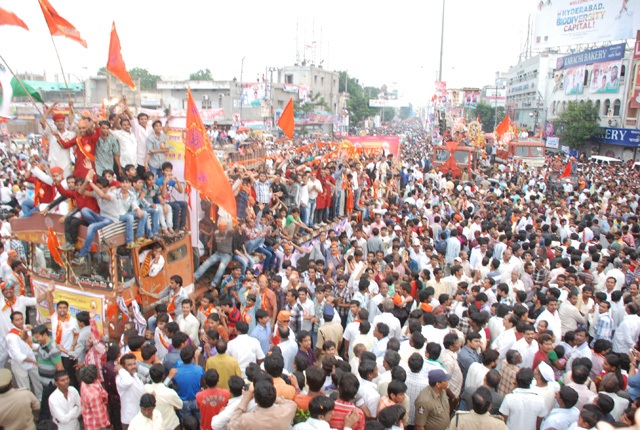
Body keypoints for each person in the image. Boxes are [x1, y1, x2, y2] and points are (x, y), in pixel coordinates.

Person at [228, 379, 297, 430]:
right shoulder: (286, 412)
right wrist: (271, 397)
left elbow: (231, 427)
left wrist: (244, 401)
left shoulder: (246, 420)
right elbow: (292, 404)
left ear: (255, 399)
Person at [116, 353, 145, 429]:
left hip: (139, 416)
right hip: (129, 419)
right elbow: (128, 382)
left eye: (134, 364)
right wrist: (121, 370)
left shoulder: (135, 375)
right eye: (129, 365)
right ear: (123, 366)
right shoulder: (120, 379)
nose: (133, 367)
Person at [78, 365, 110, 430]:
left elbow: (103, 392)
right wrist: (106, 424)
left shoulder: (85, 382)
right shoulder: (94, 396)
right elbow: (99, 415)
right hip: (95, 425)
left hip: (89, 419)